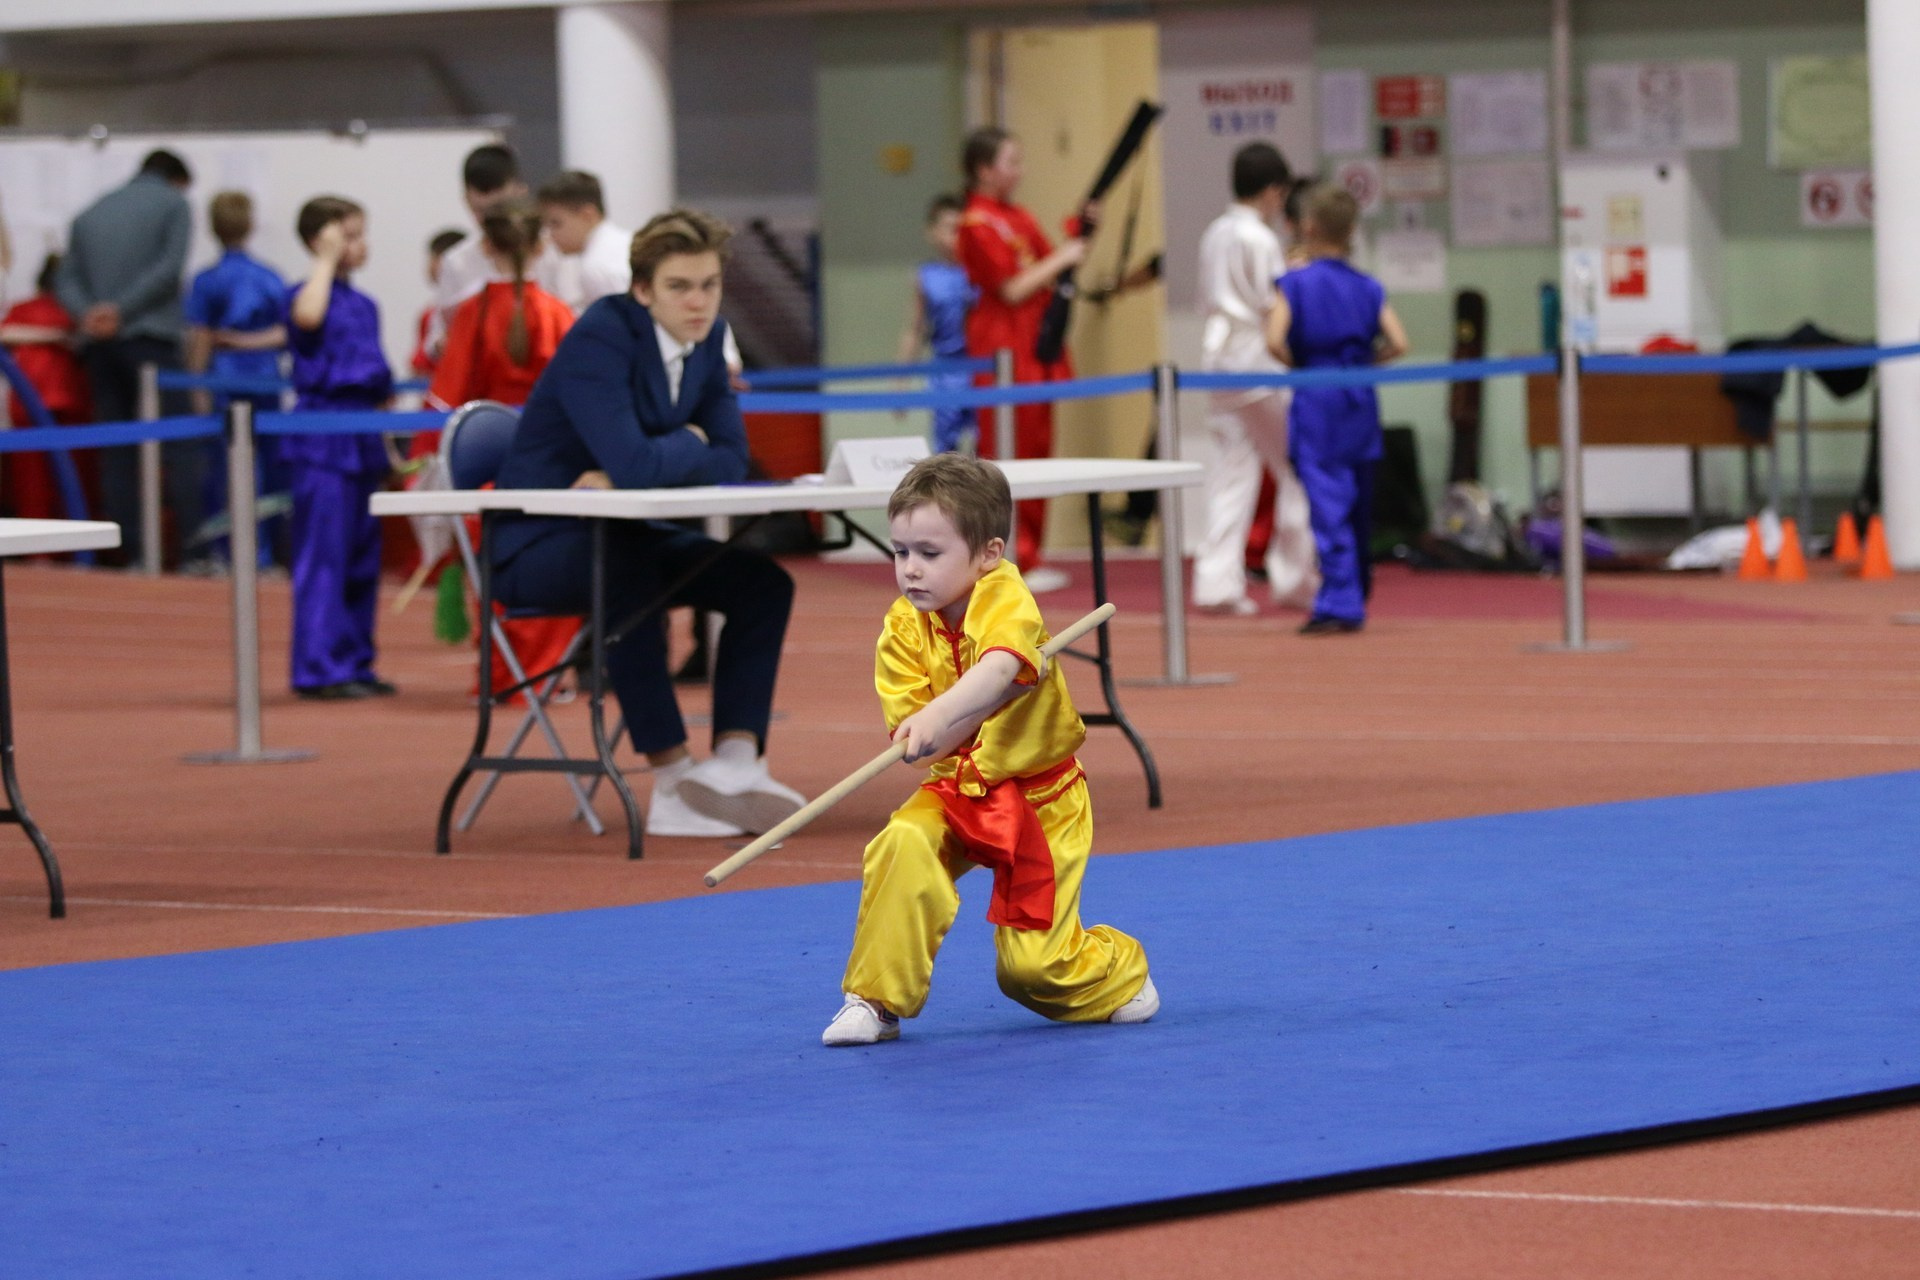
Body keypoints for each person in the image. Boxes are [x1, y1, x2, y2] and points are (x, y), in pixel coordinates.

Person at [490, 209, 804, 839]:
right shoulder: (599, 338)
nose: (698, 302)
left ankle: (735, 767)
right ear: (642, 290)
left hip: (626, 533)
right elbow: (639, 462)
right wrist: (687, 443)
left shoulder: (709, 337)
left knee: (763, 584)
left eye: (709, 285)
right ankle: (672, 782)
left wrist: (647, 463)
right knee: (626, 575)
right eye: (679, 287)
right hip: (535, 548)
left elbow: (732, 458)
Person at [823, 453, 1157, 1046]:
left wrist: (953, 706)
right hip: (957, 787)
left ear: (988, 553)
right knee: (903, 842)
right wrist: (945, 719)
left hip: (1043, 800)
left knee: (1033, 973)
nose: (910, 570)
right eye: (900, 552)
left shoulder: (1005, 594)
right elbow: (921, 739)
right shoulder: (902, 627)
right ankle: (875, 1000)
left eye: (930, 553)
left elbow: (1001, 665)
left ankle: (1119, 970)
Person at [424, 196, 580, 699]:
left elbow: (446, 401)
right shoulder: (558, 315)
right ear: (541, 246)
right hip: (552, 468)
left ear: (486, 247)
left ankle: (502, 675)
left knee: (496, 572)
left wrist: (428, 467)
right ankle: (544, 674)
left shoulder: (470, 316)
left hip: (487, 476)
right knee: (555, 564)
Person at [1264, 184, 1408, 635]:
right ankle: (1356, 586)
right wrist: (1366, 363)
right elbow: (1399, 342)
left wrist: (1300, 365)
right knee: (1359, 501)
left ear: (1308, 227)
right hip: (1359, 395)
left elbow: (1273, 340)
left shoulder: (1294, 283)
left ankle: (1341, 600)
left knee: (1328, 503)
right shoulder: (1368, 286)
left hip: (1317, 396)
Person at [955, 126, 1090, 591]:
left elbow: (1056, 263)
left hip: (1035, 346)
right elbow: (1012, 288)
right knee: (1006, 455)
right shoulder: (976, 223)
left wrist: (1082, 231)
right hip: (1003, 348)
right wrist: (1063, 256)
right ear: (984, 169)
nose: (1020, 171)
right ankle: (1011, 557)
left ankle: (1030, 555)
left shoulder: (1018, 216)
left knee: (1037, 449)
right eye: (1011, 162)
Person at [55, 148, 200, 567]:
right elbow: (168, 270)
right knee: (182, 445)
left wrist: (90, 313)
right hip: (151, 339)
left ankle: (129, 550)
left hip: (101, 345)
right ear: (177, 179)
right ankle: (194, 550)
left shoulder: (90, 212)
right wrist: (120, 310)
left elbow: (65, 278)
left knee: (117, 449)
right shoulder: (174, 204)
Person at [1193, 143, 1317, 615]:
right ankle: (1295, 580)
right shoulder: (1260, 239)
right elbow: (1273, 303)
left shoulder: (1215, 232)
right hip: (1257, 363)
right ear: (1272, 191)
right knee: (1297, 467)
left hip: (1218, 362)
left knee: (1233, 470)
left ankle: (1216, 584)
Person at [284, 196, 395, 698]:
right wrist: (324, 260)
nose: (360, 244)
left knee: (361, 556)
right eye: (348, 236)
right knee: (323, 554)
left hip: (363, 434)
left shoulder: (366, 305)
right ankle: (318, 666)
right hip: (322, 437)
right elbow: (308, 318)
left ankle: (354, 661)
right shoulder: (304, 295)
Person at [538, 168, 744, 378]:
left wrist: (717, 362)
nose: (550, 235)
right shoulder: (622, 242)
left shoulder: (597, 267)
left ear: (587, 215)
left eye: (556, 223)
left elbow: (652, 323)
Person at [184, 190, 290, 568]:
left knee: (227, 470)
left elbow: (199, 338)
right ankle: (265, 552)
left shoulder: (207, 280)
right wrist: (251, 342)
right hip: (265, 379)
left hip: (225, 382)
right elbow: (285, 332)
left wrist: (197, 386)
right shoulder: (269, 277)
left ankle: (233, 552)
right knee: (269, 468)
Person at [429, 144, 556, 358]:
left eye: (500, 212)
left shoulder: (553, 253)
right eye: (480, 212)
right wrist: (450, 342)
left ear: (521, 192)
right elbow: (434, 341)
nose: (490, 225)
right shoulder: (456, 261)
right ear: (466, 200)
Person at [0, 254, 94, 521]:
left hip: (59, 401)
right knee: (48, 478)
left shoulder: (75, 311)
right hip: (42, 401)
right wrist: (55, 336)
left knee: (64, 478)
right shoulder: (57, 311)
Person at [896, 193, 978, 454]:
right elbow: (914, 329)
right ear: (932, 232)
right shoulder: (926, 276)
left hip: (981, 367)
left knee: (988, 445)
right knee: (945, 448)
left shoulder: (981, 272)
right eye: (950, 229)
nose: (957, 237)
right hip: (944, 370)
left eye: (962, 229)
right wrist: (901, 382)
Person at [410, 229, 467, 378]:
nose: (429, 265)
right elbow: (419, 365)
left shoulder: (471, 309)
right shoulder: (428, 314)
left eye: (434, 258)